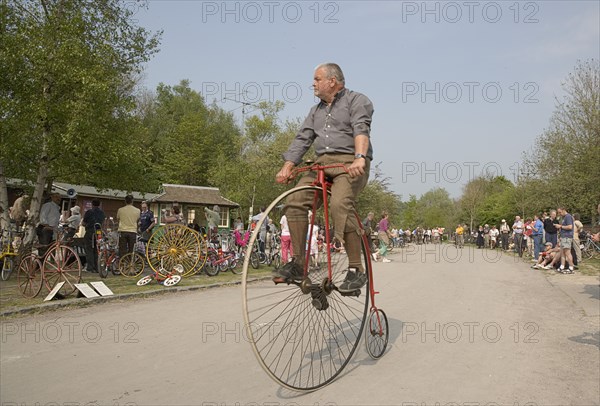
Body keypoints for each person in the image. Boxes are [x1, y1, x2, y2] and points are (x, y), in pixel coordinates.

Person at [271, 63, 373, 293]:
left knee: (340, 204)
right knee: (294, 201)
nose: (313, 84)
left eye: (317, 79)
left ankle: (356, 270)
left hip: (349, 163)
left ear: (332, 81)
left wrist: (360, 157)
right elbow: (302, 139)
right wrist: (287, 166)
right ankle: (298, 263)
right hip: (321, 164)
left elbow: (361, 129)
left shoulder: (357, 101)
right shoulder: (315, 111)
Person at [82, 199, 105, 273]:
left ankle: (90, 267)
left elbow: (84, 223)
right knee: (97, 249)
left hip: (90, 231)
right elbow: (103, 222)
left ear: (92, 204)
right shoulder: (102, 213)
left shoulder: (89, 212)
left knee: (89, 249)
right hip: (98, 232)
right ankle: (97, 267)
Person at [554, 206, 575, 273]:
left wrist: (560, 226)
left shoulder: (568, 216)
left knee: (567, 252)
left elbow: (570, 227)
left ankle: (571, 267)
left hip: (567, 236)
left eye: (560, 212)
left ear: (564, 210)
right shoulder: (563, 217)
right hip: (563, 236)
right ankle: (562, 266)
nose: (559, 214)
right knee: (562, 252)